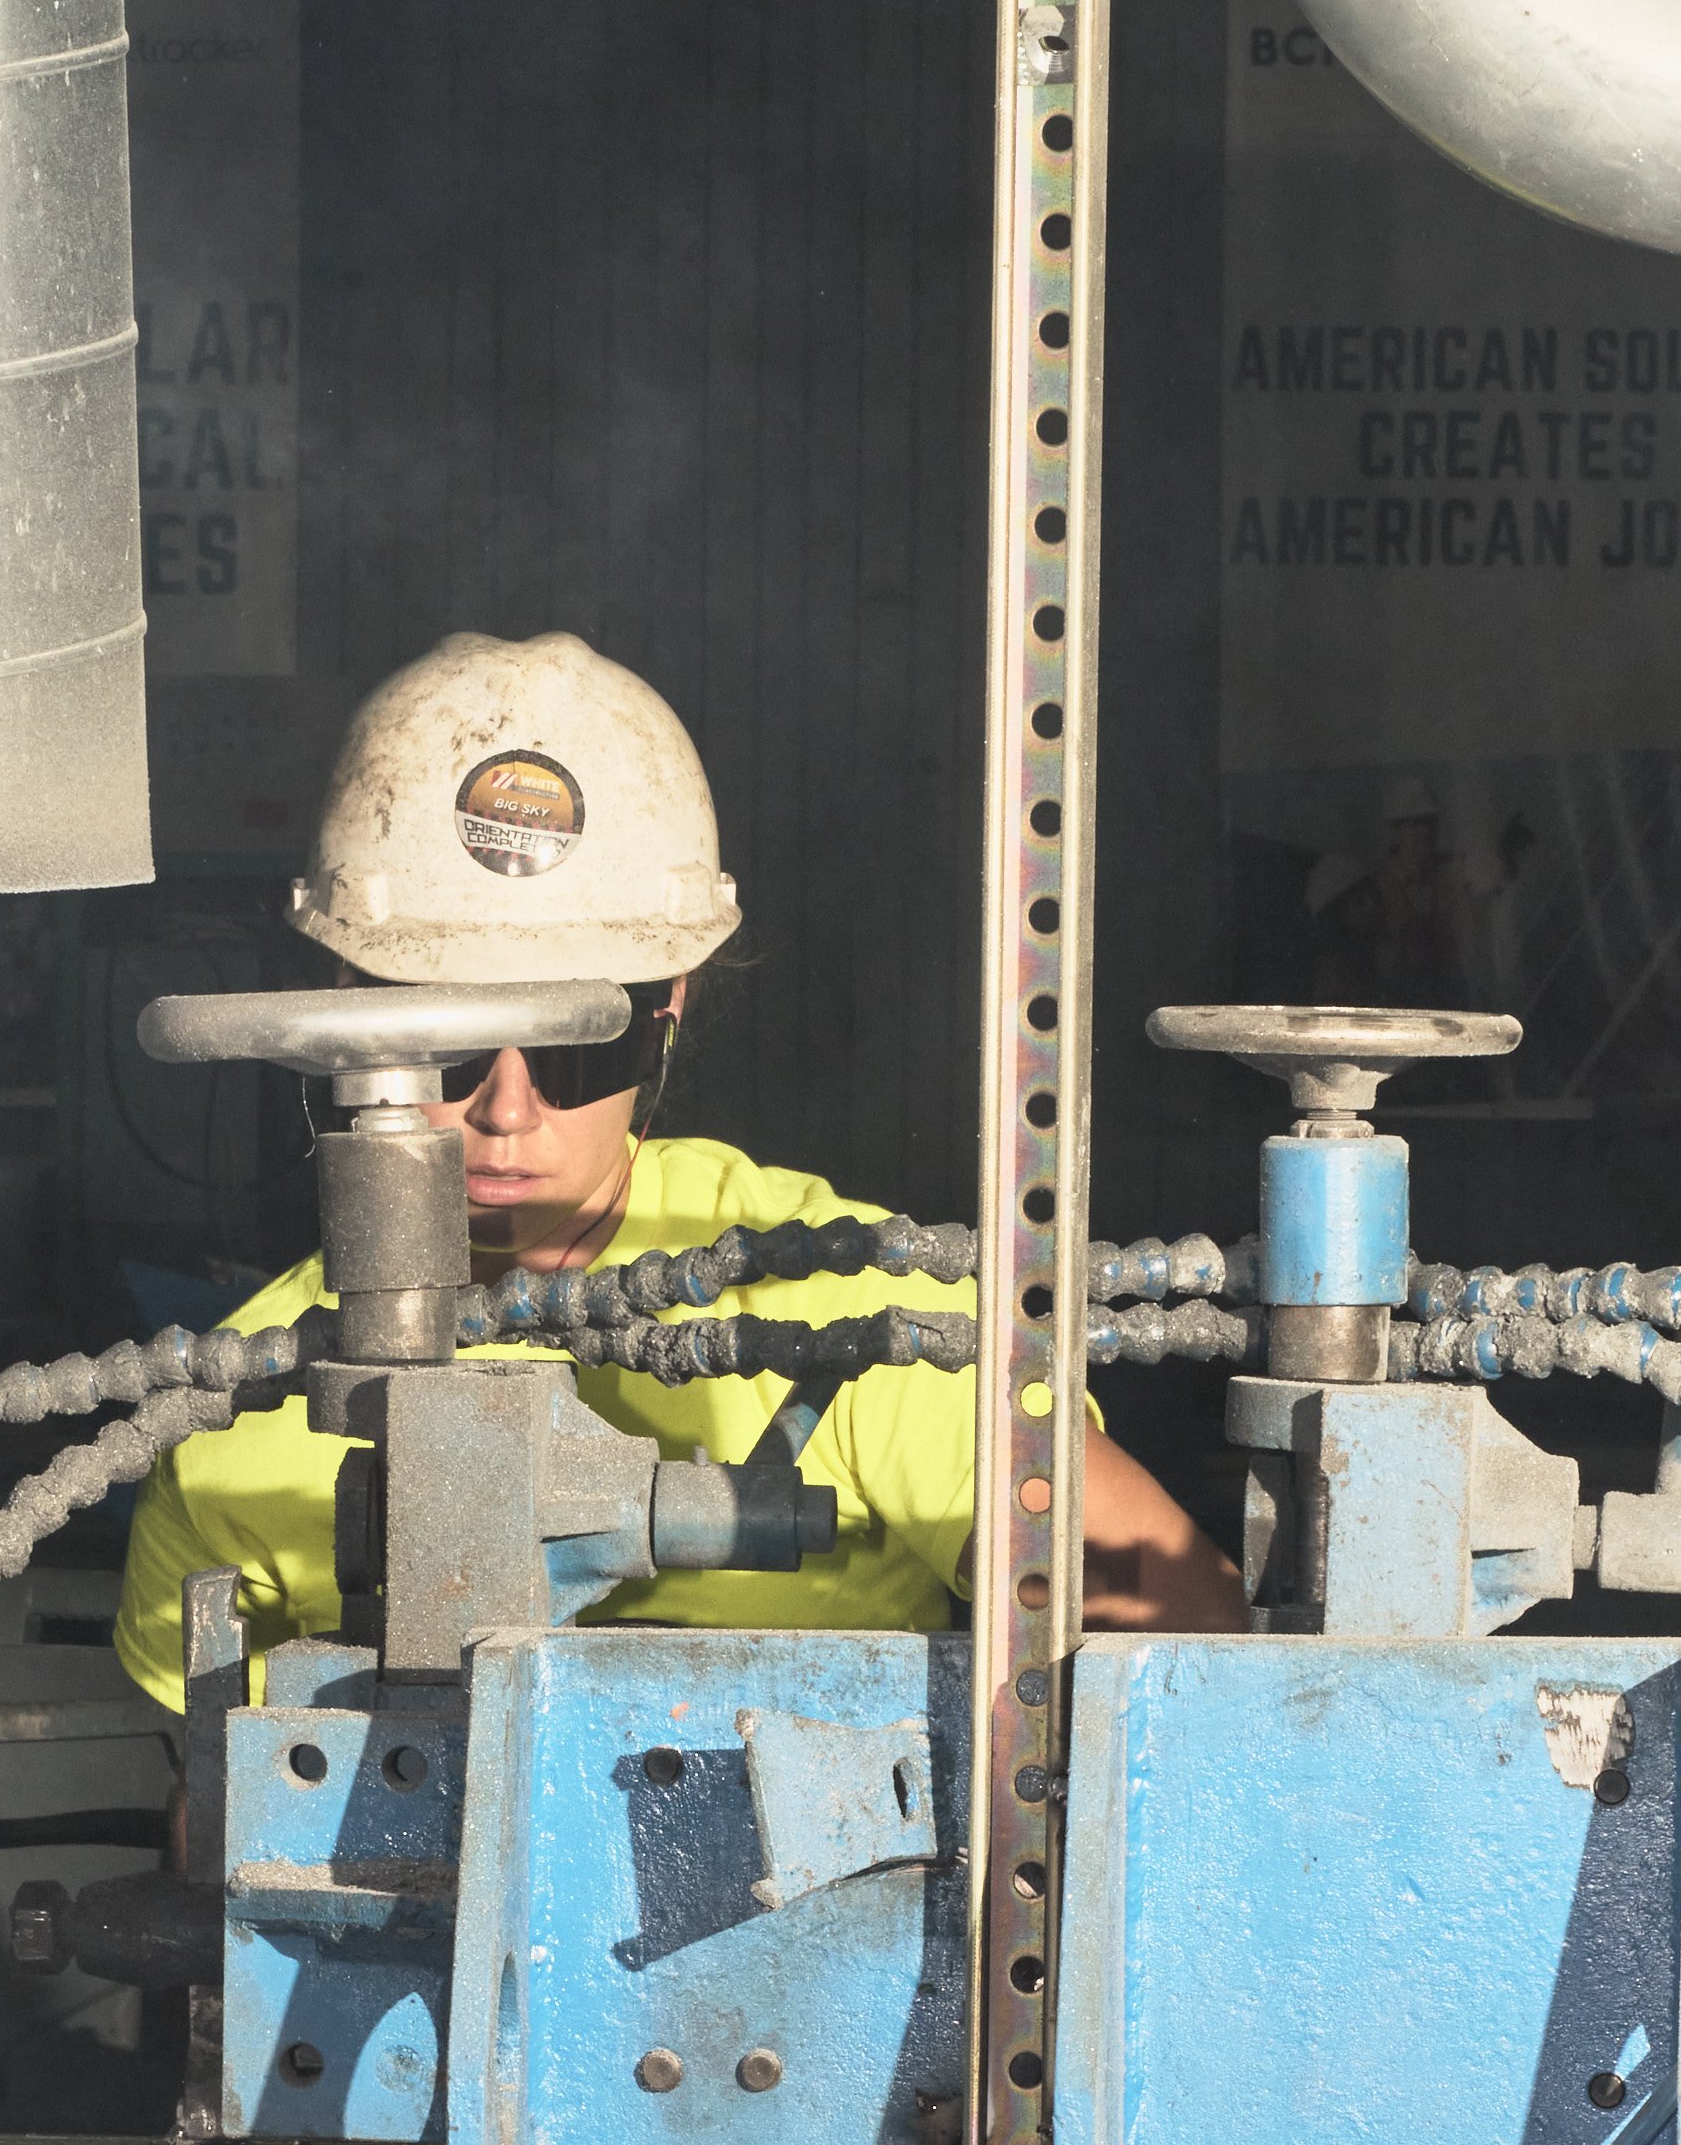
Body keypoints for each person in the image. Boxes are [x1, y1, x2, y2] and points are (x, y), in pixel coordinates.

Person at [113, 630, 1242, 1708]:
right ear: (341, 1010)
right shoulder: (233, 1423)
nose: (506, 1108)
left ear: (669, 1012)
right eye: (444, 1037)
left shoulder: (845, 1308)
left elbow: (1178, 1627)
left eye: (577, 1045)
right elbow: (212, 1806)